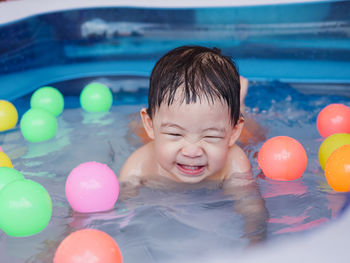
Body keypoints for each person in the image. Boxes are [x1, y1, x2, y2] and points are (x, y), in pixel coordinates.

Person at [120, 45, 268, 245]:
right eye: (175, 133)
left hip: (231, 127)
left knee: (255, 135)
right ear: (150, 125)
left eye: (210, 137)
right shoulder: (140, 165)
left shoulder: (233, 162)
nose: (192, 151)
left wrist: (255, 242)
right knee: (134, 132)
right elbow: (119, 209)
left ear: (233, 132)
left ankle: (239, 105)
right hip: (164, 130)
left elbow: (252, 210)